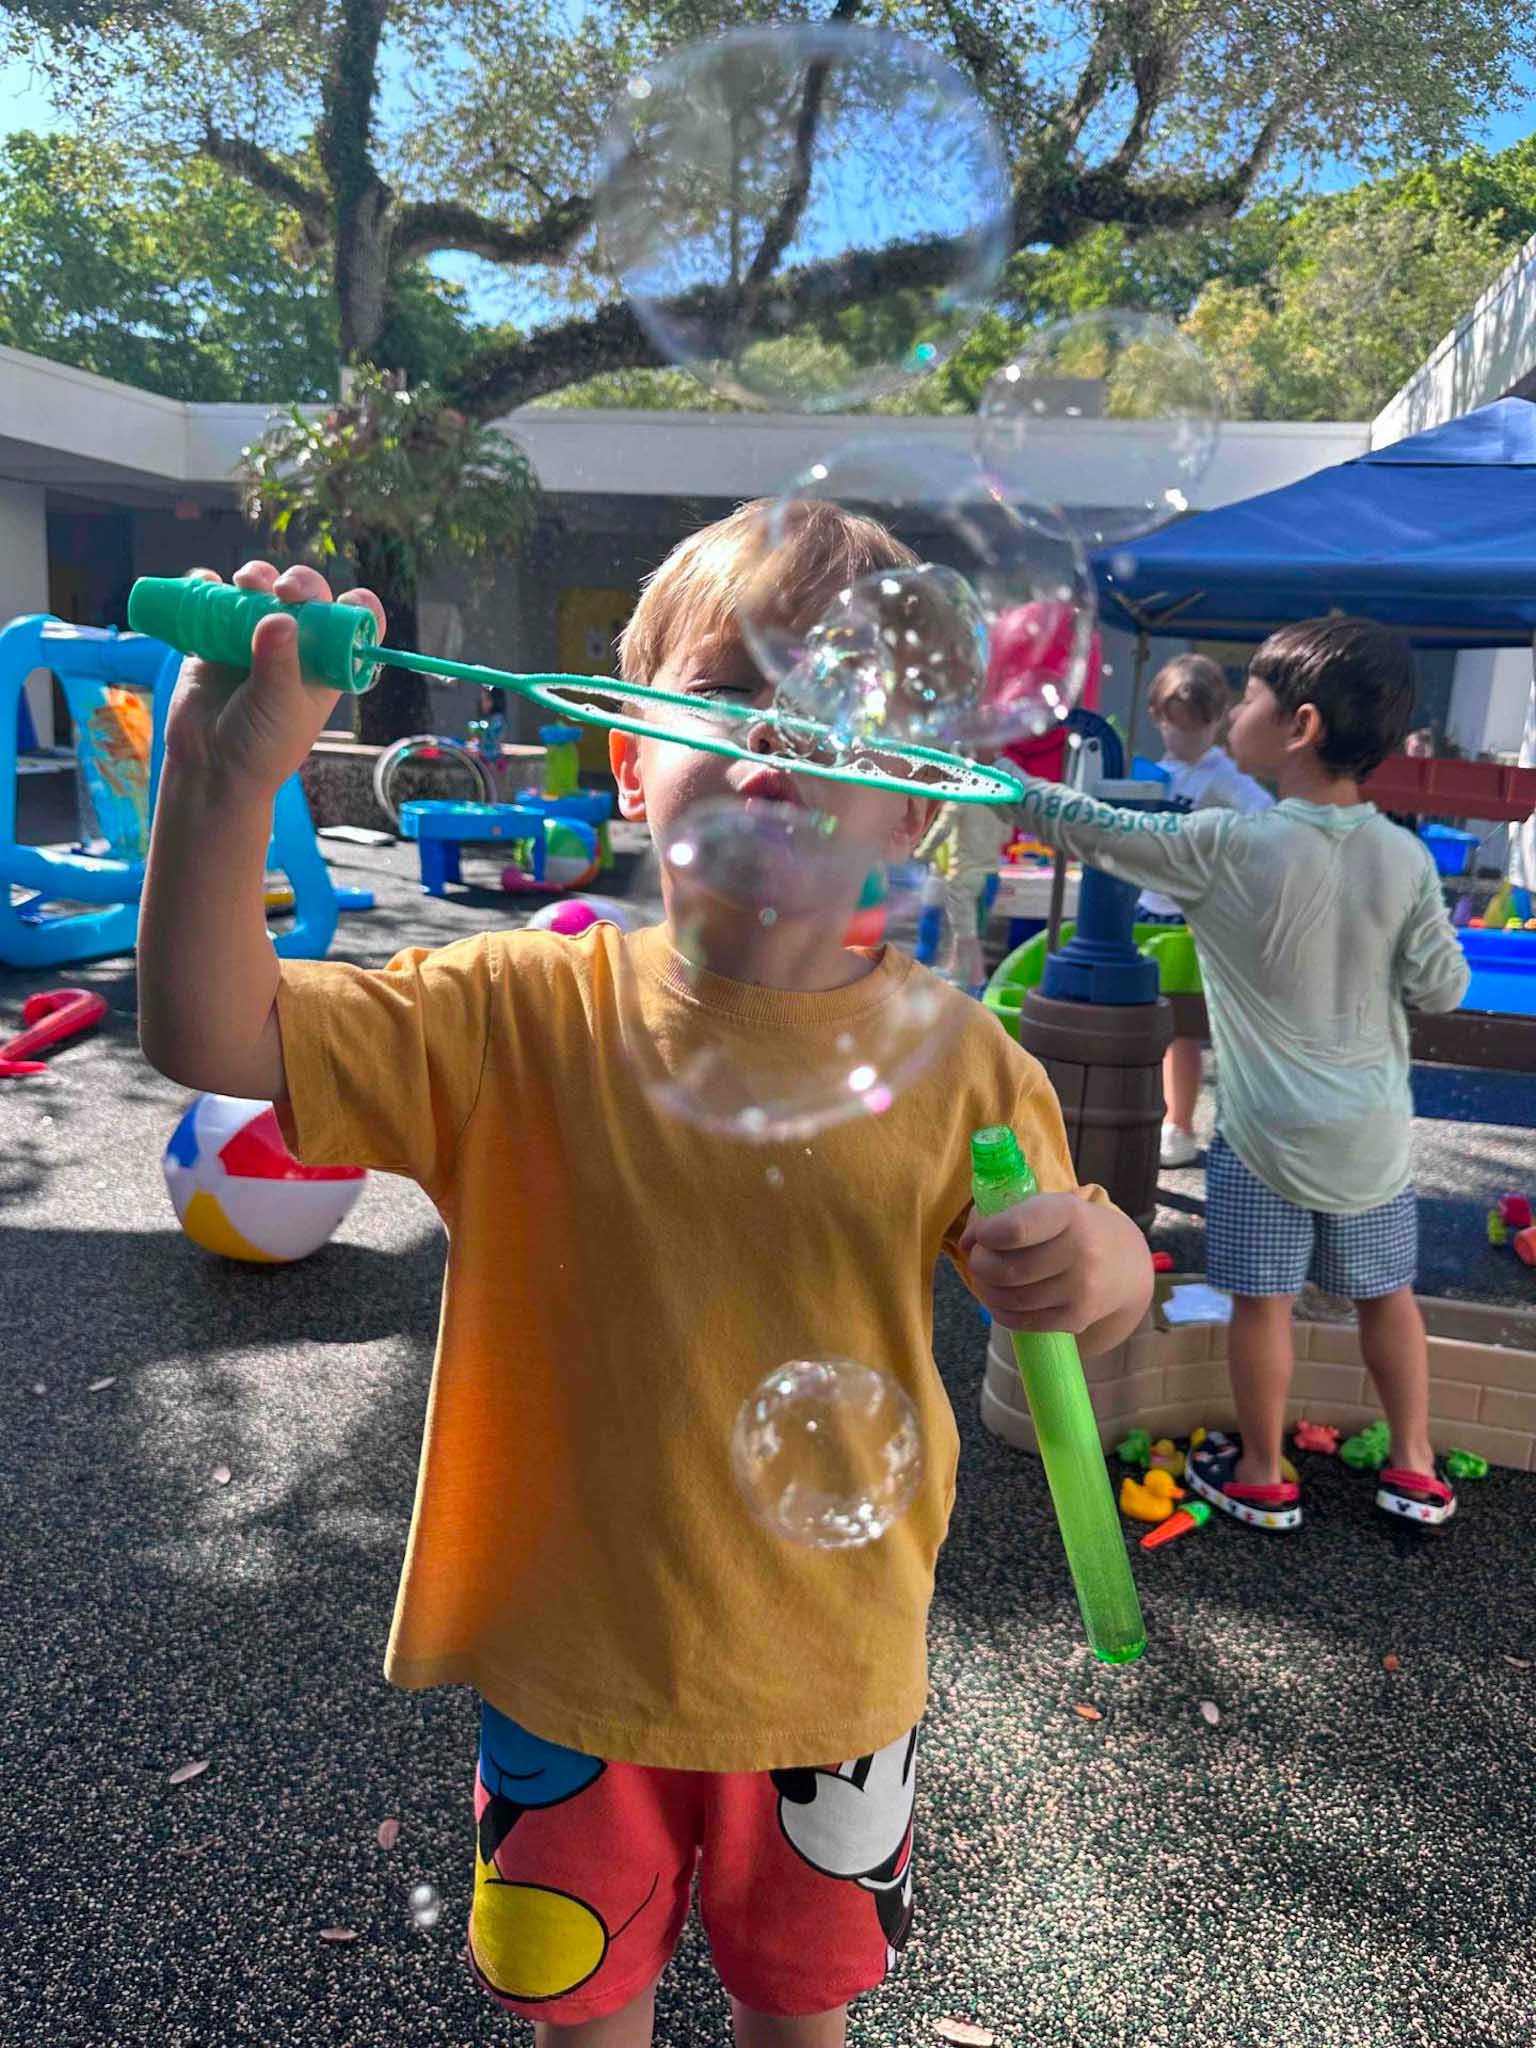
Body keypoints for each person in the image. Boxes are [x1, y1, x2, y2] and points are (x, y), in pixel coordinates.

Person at [136, 505, 1153, 2048]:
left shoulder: (962, 1065)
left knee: (797, 2018)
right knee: (582, 2019)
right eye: (734, 692)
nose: (780, 741)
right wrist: (222, 785)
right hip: (570, 1673)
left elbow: (1087, 1275)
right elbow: (214, 1036)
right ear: (627, 757)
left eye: (840, 715)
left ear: (910, 813)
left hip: (832, 1677)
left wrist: (1105, 1259)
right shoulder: (518, 1015)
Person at [1005, 616, 1470, 1536]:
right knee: (1389, 1297)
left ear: (1298, 725)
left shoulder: (1227, 845)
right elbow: (1444, 987)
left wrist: (1003, 784)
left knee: (1261, 1305)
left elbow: (1092, 829)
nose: (1234, 714)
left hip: (1264, 1138)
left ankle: (1263, 1472)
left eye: (1249, 695)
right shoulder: (1406, 858)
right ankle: (1415, 1469)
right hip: (1372, 1138)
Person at [1139, 654, 1272, 1168]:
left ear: (1216, 723)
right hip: (1151, 908)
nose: (1183, 739)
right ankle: (1159, 1116)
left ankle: (1180, 1125)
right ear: (1158, 717)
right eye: (1174, 727)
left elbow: (1264, 819)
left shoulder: (1224, 775)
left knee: (1184, 1027)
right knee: (1151, 1023)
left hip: (1197, 918)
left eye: (1193, 729)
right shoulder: (1162, 771)